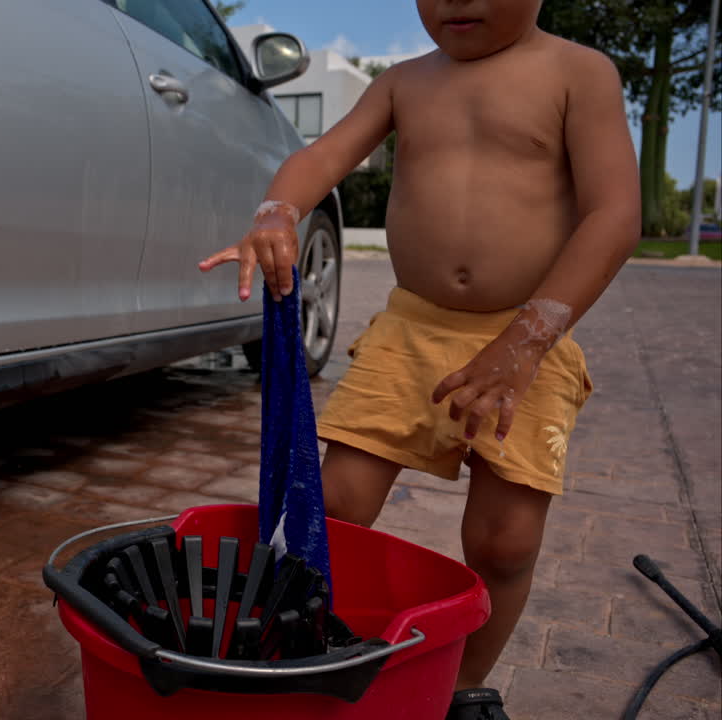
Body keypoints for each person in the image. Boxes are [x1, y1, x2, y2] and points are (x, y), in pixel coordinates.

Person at [199, 1, 640, 718]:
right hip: (409, 331)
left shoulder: (577, 73)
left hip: (526, 337)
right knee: (335, 503)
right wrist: (278, 209)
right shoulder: (404, 81)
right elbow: (321, 157)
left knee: (503, 540)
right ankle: (306, 648)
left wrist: (528, 338)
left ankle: (461, 689)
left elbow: (614, 214)